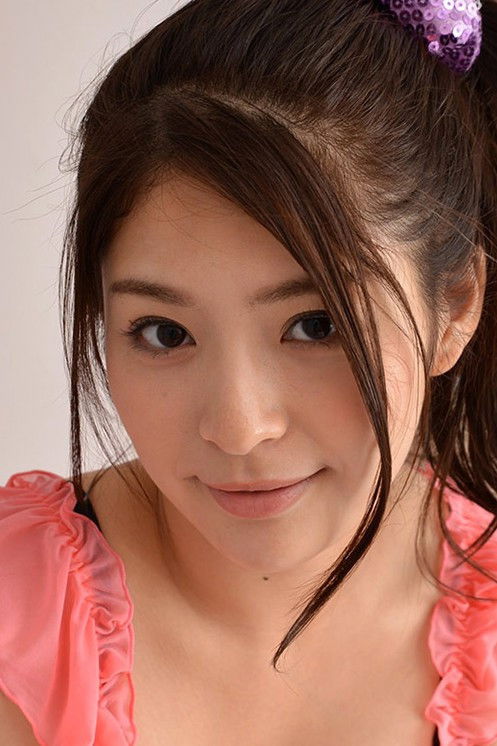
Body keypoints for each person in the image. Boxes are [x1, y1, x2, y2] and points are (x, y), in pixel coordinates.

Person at [1, 0, 497, 744]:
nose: (238, 428)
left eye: (317, 325)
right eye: (164, 333)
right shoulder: (16, 618)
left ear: (453, 306)